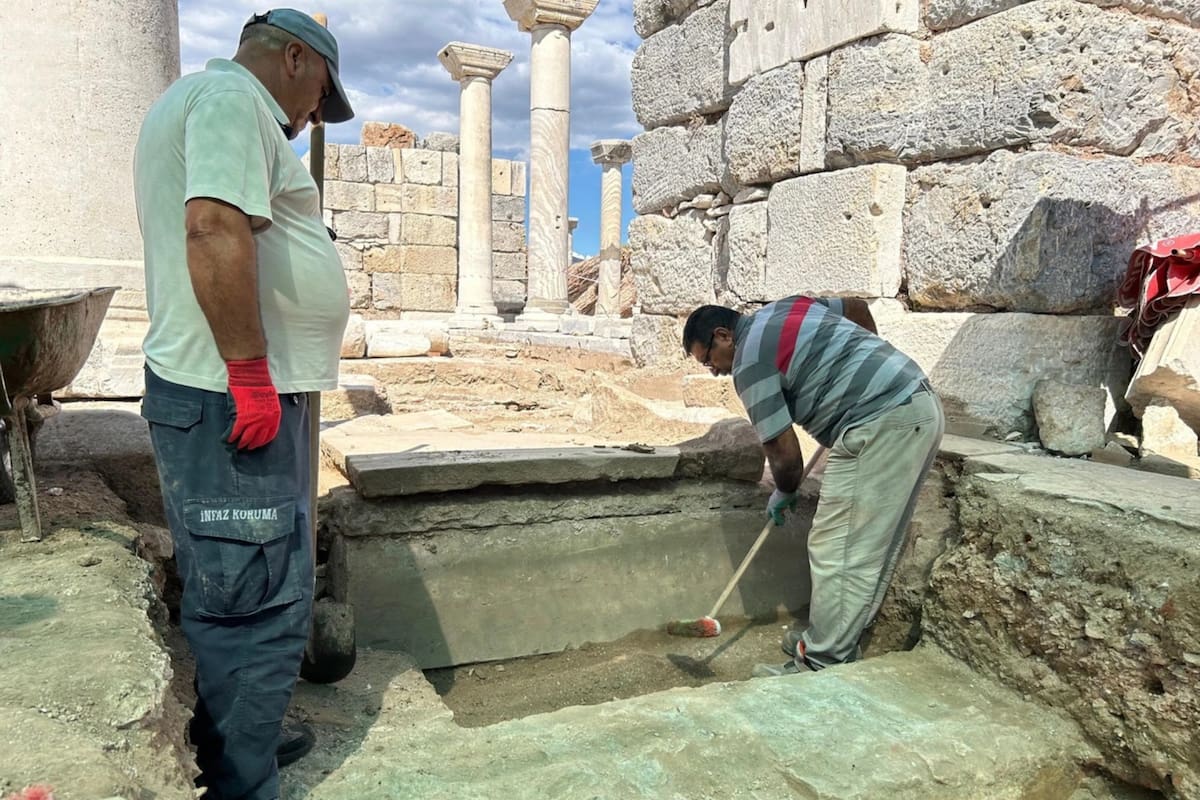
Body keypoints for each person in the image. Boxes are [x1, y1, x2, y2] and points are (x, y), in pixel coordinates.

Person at [132, 10, 354, 798]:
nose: (311, 119)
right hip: (233, 396)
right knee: (257, 605)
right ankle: (242, 782)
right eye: (320, 99)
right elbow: (215, 227)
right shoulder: (232, 103)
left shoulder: (208, 104)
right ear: (295, 57)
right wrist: (251, 372)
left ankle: (236, 745)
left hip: (228, 391)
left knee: (235, 584)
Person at [682, 297, 944, 676]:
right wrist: (854, 363)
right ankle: (831, 639)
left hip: (881, 422)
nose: (714, 372)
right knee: (866, 545)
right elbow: (855, 308)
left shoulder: (749, 364)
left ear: (723, 336)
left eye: (708, 360)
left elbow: (784, 454)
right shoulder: (787, 308)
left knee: (838, 546)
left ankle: (820, 663)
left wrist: (784, 490)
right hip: (914, 402)